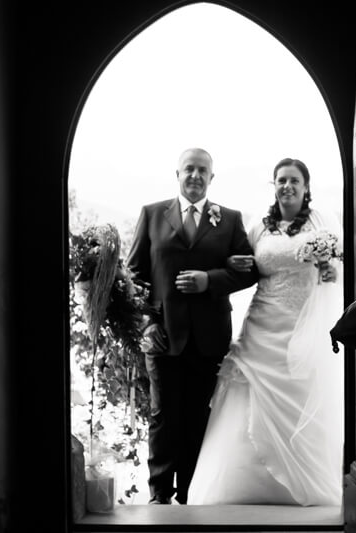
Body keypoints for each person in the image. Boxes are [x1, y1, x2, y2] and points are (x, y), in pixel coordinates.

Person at [187, 158, 344, 506]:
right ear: (274, 186)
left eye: (294, 181)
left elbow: (337, 267)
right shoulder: (258, 226)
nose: (287, 186)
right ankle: (237, 487)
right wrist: (231, 265)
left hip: (302, 326)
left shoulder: (322, 223)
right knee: (244, 398)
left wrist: (330, 272)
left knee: (300, 399)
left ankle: (299, 484)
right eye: (281, 180)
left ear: (306, 187)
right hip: (261, 325)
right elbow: (241, 263)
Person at [126, 147, 258, 505]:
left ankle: (190, 494)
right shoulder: (152, 215)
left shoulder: (229, 219)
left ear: (212, 177)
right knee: (163, 416)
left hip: (209, 337)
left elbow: (249, 271)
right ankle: (159, 496)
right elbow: (134, 276)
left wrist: (209, 280)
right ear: (178, 174)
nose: (195, 176)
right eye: (189, 169)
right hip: (163, 335)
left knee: (199, 416)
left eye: (203, 170)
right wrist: (147, 323)